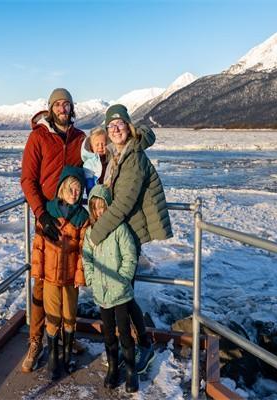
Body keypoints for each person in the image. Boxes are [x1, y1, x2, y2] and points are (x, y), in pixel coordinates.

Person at [88, 104, 172, 375]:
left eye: (119, 125)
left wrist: (96, 234)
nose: (115, 130)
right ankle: (135, 344)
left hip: (129, 232)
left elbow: (123, 202)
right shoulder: (118, 154)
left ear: (128, 126)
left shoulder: (133, 157)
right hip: (121, 230)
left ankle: (141, 346)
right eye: (110, 126)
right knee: (123, 293)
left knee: (122, 293)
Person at [20, 88, 86, 372]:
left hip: (73, 218)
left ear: (72, 108)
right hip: (47, 218)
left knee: (71, 279)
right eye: (57, 104)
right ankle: (37, 341)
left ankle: (67, 337)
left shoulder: (80, 139)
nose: (62, 108)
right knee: (43, 283)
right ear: (50, 108)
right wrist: (41, 213)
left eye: (66, 104)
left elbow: (94, 171)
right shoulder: (38, 136)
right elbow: (27, 180)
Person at [30, 166, 89, 380]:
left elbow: (84, 250)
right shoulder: (48, 213)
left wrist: (80, 276)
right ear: (62, 188)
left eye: (79, 189)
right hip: (50, 276)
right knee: (53, 316)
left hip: (71, 277)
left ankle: (67, 355)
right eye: (71, 188)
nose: (75, 193)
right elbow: (38, 246)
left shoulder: (83, 217)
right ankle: (54, 357)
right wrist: (38, 272)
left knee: (70, 315)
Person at [83, 184, 139, 392]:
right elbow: (87, 258)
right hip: (101, 291)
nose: (100, 211)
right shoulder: (91, 233)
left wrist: (122, 280)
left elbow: (130, 257)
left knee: (124, 331)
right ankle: (113, 368)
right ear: (92, 210)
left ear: (109, 206)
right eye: (95, 207)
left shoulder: (120, 229)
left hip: (120, 292)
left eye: (102, 206)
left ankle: (131, 371)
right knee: (108, 332)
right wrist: (91, 279)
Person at [81, 126, 109, 195]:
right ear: (91, 147)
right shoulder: (89, 164)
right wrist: (92, 195)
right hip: (97, 193)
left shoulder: (110, 159)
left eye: (103, 144)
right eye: (97, 145)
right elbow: (89, 184)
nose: (100, 147)